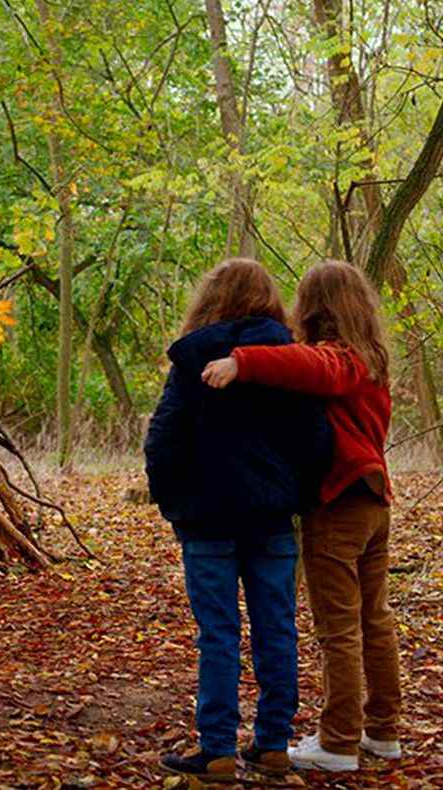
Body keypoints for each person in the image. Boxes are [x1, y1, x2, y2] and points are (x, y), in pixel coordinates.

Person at [202, 259, 401, 773]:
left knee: (340, 626)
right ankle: (382, 731)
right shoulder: (372, 357)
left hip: (341, 503)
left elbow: (312, 366)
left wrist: (242, 362)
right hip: (373, 500)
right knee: (373, 621)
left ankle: (338, 742)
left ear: (315, 307)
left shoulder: (341, 359)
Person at [146, 258, 331, 783]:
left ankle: (218, 747)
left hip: (206, 520)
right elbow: (316, 440)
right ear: (269, 302)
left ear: (210, 298)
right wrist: (298, 495)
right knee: (276, 627)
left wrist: (174, 503)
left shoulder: (192, 362)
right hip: (271, 518)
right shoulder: (289, 362)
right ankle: (272, 743)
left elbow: (163, 439)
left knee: (219, 633)